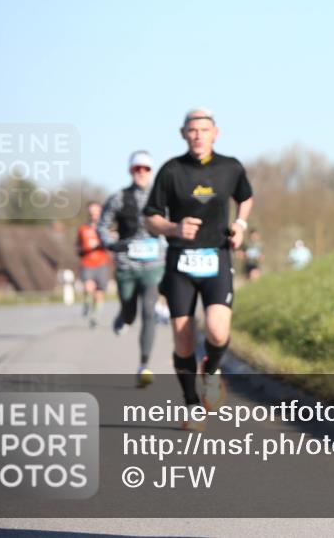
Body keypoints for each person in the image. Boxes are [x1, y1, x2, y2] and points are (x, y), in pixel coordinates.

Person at [144, 109, 254, 430]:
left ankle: (211, 372)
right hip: (180, 261)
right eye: (192, 130)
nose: (198, 135)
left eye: (204, 129)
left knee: (218, 331)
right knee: (183, 340)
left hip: (217, 257)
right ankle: (192, 404)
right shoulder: (170, 171)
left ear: (215, 133)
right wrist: (174, 229)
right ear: (183, 133)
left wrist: (241, 224)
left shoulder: (230, 167)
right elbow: (150, 217)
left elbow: (245, 197)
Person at [97, 150, 166, 388]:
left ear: (151, 171)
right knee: (130, 309)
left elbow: (173, 224)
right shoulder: (118, 197)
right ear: (130, 171)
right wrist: (110, 243)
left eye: (145, 169)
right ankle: (124, 315)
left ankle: (144, 365)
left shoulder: (162, 198)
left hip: (153, 265)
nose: (141, 173)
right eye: (137, 169)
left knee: (149, 311)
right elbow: (103, 225)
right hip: (126, 264)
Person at [76, 201, 112, 326]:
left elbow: (111, 244)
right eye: (91, 212)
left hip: (102, 263)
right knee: (88, 286)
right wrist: (83, 249)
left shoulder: (105, 229)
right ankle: (87, 303)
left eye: (96, 211)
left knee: (99, 292)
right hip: (87, 263)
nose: (94, 214)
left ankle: (95, 316)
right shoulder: (83, 229)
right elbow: (78, 246)